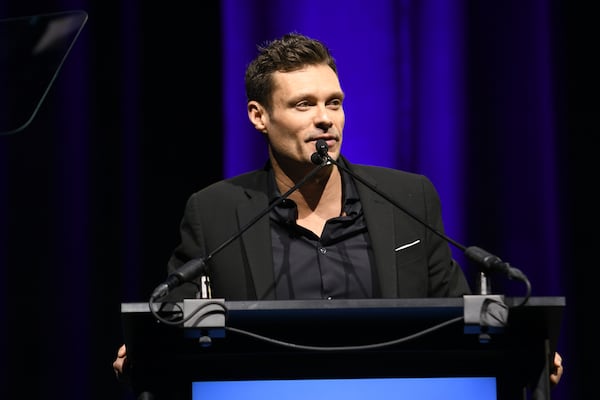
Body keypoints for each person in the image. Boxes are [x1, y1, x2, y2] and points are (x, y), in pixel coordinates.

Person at [113, 31, 562, 388]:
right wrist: (148, 347)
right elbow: (173, 316)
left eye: (334, 102)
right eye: (303, 104)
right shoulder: (215, 211)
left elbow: (454, 315)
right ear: (259, 116)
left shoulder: (407, 197)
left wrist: (518, 347)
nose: (325, 118)